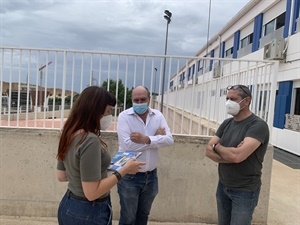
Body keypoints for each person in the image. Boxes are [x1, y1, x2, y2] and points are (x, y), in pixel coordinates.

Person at [56, 86, 144, 225]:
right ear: (95, 110)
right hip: (88, 212)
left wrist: (97, 169)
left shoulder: (68, 132)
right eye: (108, 111)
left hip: (68, 205)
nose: (109, 116)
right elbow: (92, 193)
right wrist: (124, 170)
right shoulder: (89, 140)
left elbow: (62, 175)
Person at [205, 84, 270, 225]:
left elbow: (236, 156)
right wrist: (230, 154)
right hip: (223, 186)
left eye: (233, 99)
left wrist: (218, 147)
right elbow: (208, 150)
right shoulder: (227, 123)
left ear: (246, 101)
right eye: (227, 98)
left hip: (244, 190)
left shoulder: (257, 126)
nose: (228, 102)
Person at [117, 86, 174, 225]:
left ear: (149, 99)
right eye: (136, 100)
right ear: (131, 100)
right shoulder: (124, 116)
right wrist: (155, 138)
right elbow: (128, 145)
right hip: (129, 177)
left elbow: (170, 140)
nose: (139, 102)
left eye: (143, 99)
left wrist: (146, 139)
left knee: (143, 216)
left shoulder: (158, 115)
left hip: (151, 177)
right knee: (128, 217)